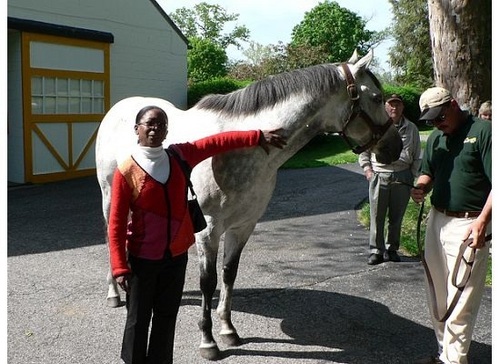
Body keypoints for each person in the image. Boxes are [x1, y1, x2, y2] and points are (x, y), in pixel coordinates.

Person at [108, 105, 287, 364]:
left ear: (167, 130)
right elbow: (115, 224)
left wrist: (257, 136)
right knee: (137, 319)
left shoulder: (180, 155)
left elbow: (216, 142)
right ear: (137, 129)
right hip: (143, 260)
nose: (155, 128)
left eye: (161, 124)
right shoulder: (126, 171)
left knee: (166, 317)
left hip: (176, 258)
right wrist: (119, 267)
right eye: (149, 123)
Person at [411, 87, 491, 364]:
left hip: (470, 223)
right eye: (431, 120)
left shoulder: (484, 131)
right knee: (438, 294)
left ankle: (455, 360)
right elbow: (427, 172)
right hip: (437, 219)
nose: (437, 123)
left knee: (461, 298)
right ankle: (445, 354)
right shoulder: (435, 137)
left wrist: (482, 222)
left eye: (440, 116)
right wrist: (421, 186)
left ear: (454, 104)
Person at [358, 94, 421, 265]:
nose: (394, 108)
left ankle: (392, 249)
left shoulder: (411, 128)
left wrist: (412, 176)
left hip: (403, 175)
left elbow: (417, 156)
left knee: (396, 216)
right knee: (377, 215)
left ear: (402, 107)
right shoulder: (375, 126)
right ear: (385, 106)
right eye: (391, 105)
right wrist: (367, 170)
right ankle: (376, 251)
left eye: (398, 105)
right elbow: (363, 150)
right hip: (380, 174)